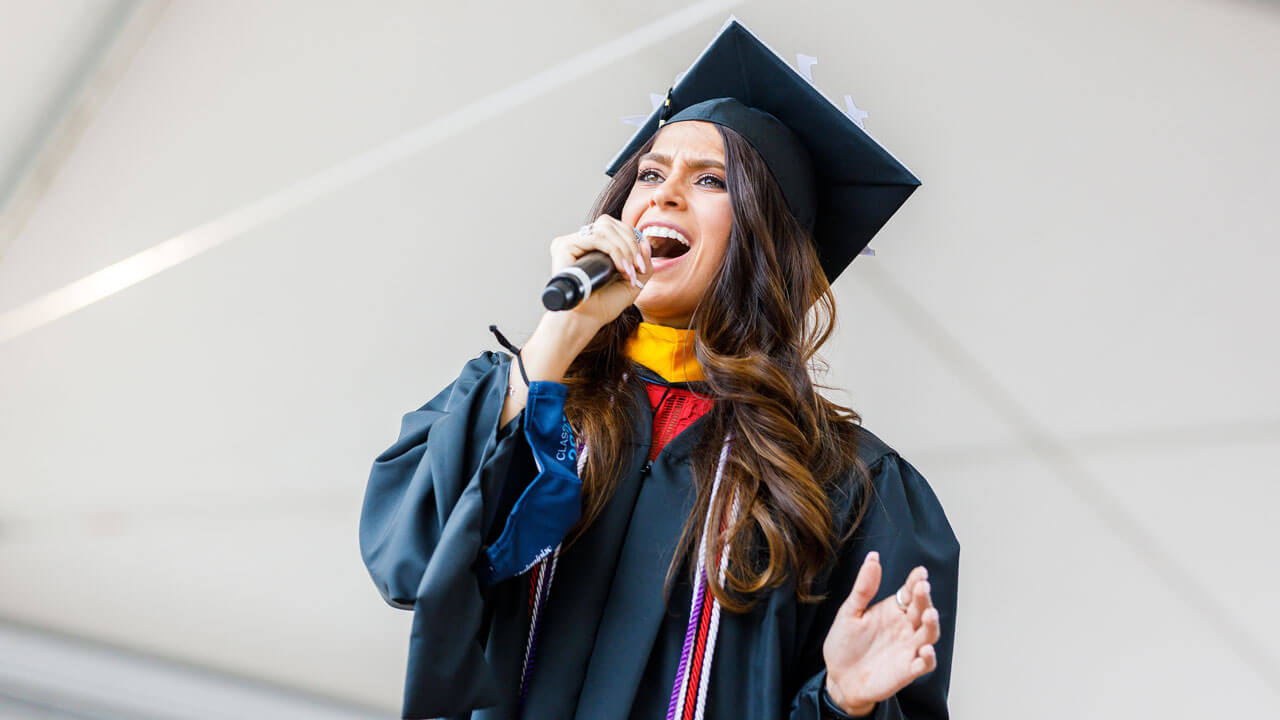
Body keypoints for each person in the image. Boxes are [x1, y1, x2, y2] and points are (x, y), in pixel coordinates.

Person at [359, 18, 960, 720]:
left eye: (710, 180)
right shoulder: (523, 397)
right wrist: (561, 336)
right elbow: (410, 561)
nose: (663, 195)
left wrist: (843, 703)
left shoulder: (848, 484)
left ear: (768, 241)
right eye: (649, 173)